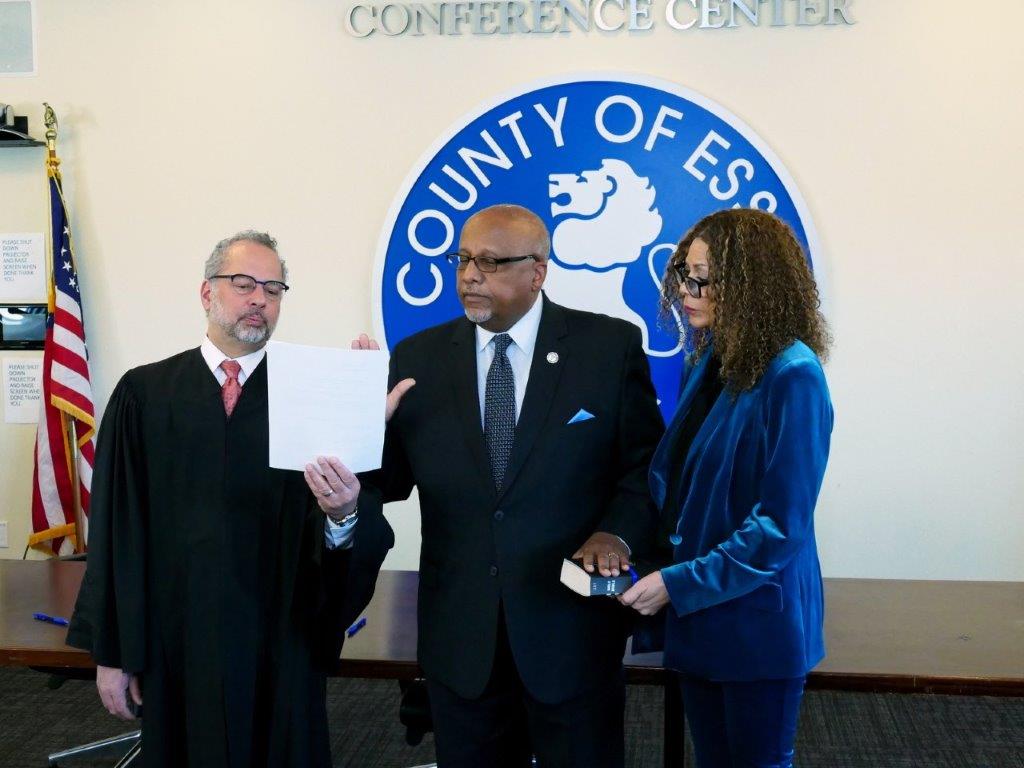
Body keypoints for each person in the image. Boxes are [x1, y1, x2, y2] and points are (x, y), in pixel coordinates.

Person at [66, 231, 395, 768]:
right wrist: (114, 651)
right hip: (176, 642)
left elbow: (356, 520)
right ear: (206, 294)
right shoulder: (145, 394)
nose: (259, 299)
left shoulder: (317, 394)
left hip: (279, 640)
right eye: (243, 284)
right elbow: (115, 530)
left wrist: (344, 511)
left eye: (273, 288)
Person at [362, 204, 664, 768]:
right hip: (462, 641)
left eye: (491, 262)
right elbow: (390, 480)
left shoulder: (607, 348)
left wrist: (618, 535)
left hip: (570, 633)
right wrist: (359, 433)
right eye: (463, 260)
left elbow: (645, 468)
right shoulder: (418, 357)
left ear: (538, 272)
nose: (470, 275)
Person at [619, 208, 833, 768]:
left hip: (757, 622)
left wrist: (679, 582)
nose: (686, 292)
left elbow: (780, 527)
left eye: (701, 279)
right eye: (685, 276)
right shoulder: (710, 357)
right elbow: (683, 487)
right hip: (700, 614)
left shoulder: (794, 375)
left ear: (750, 283)